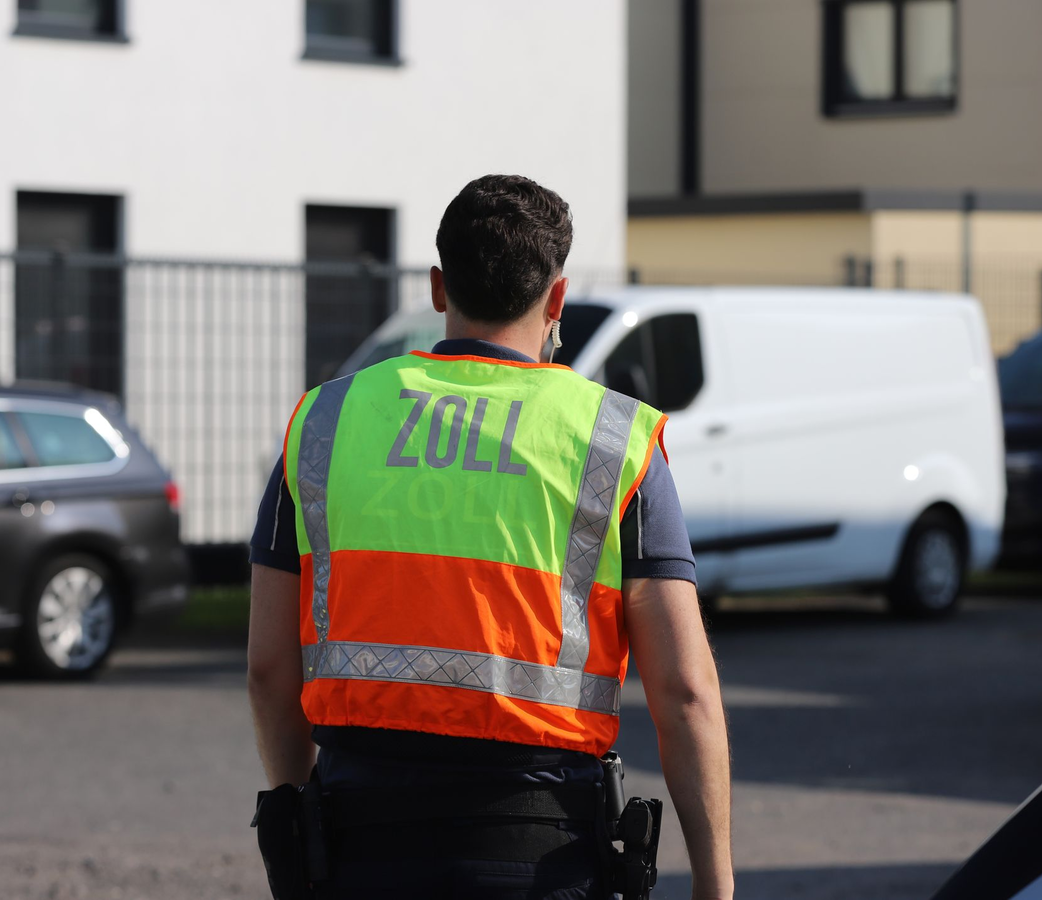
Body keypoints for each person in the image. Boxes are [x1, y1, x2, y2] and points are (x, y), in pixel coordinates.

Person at [248, 174, 733, 900]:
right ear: (557, 300)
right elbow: (684, 690)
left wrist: (301, 823)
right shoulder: (614, 440)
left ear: (438, 287)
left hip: (357, 849)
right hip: (542, 854)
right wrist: (715, 883)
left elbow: (268, 670)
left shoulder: (324, 422)